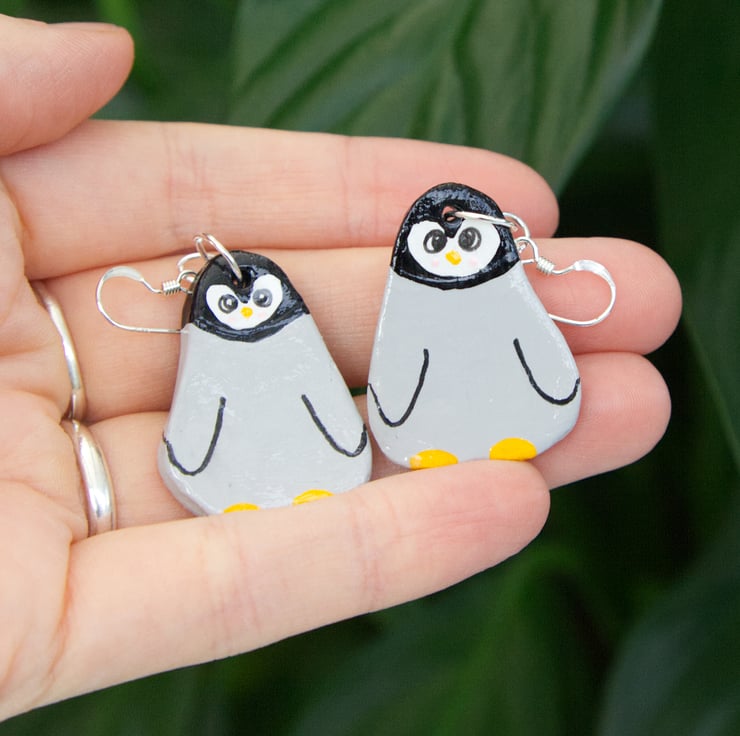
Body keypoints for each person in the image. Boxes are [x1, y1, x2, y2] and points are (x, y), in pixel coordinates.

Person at [0, 14, 681, 721]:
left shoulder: (480, 298)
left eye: (464, 242)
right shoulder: (242, 349)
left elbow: (494, 359)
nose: (451, 254)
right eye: (439, 244)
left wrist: (527, 394)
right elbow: (235, 411)